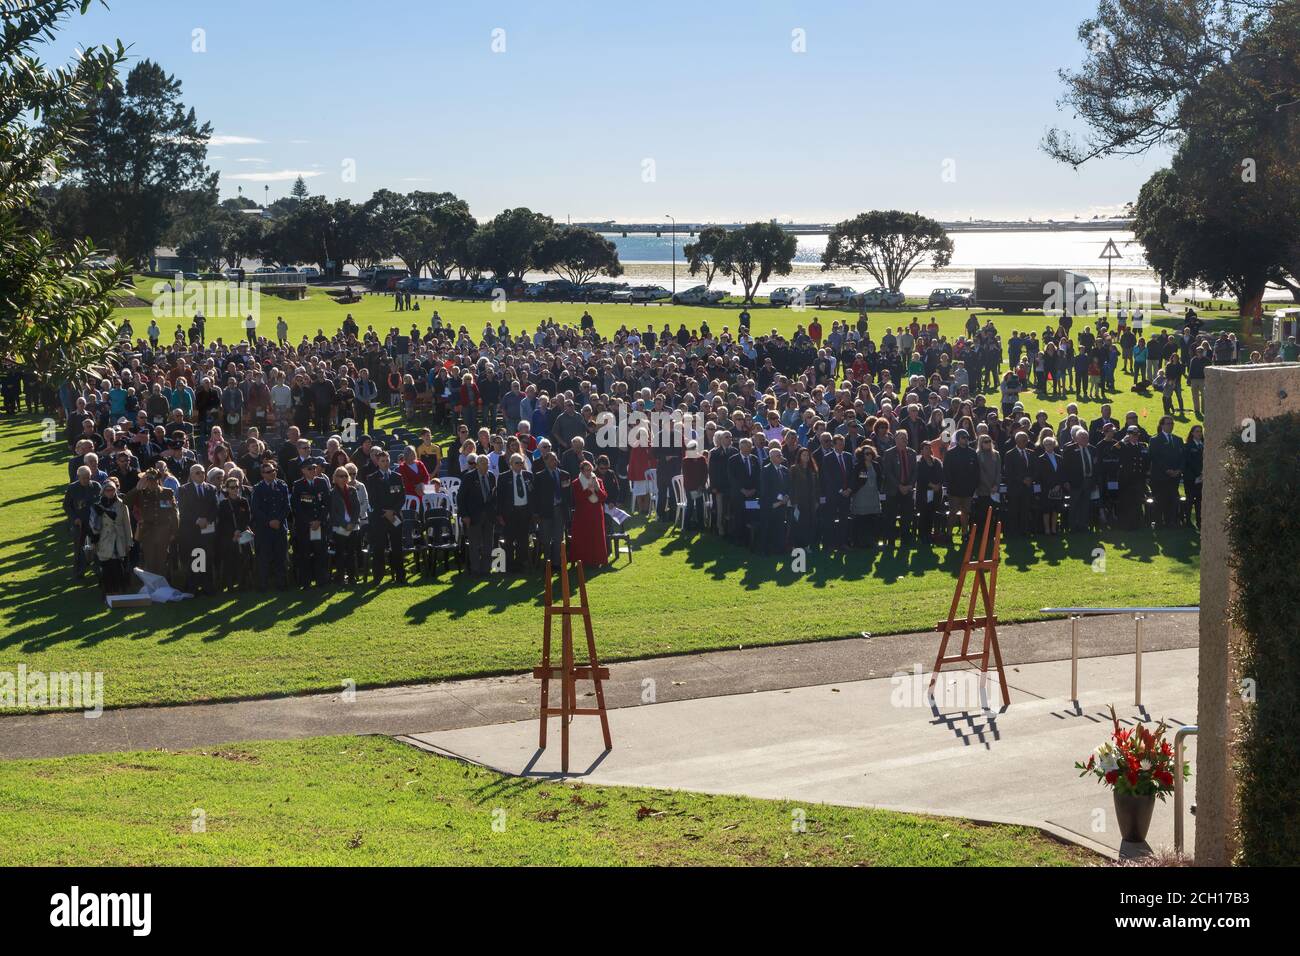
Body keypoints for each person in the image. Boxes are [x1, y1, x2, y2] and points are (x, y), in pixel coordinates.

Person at [363, 449, 406, 585]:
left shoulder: (397, 477)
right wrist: (385, 512)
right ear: (378, 462)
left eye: (387, 460)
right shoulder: (372, 478)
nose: (385, 463)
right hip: (379, 518)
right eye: (382, 461)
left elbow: (401, 497)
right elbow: (373, 500)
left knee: (397, 547)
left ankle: (400, 576)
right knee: (379, 548)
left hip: (395, 516)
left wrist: (393, 511)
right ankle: (378, 577)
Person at [177, 463, 219, 594]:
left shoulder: (211, 488)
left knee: (207, 557)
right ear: (191, 475)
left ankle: (208, 586)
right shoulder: (184, 489)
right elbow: (183, 510)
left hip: (207, 529)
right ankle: (193, 586)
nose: (201, 474)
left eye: (202, 472)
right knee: (195, 557)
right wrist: (197, 520)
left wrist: (207, 519)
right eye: (198, 473)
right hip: (191, 531)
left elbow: (215, 507)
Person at [250, 461, 290, 590]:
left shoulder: (282, 486)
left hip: (280, 527)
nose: (272, 473)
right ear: (262, 474)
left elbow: (286, 507)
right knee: (264, 558)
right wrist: (269, 521)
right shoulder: (258, 488)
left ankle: (282, 584)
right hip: (264, 529)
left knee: (281, 557)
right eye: (268, 472)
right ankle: (263, 585)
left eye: (274, 471)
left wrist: (278, 520)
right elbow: (256, 509)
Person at [89, 477, 132, 594]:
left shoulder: (122, 505)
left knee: (119, 567)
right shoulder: (96, 506)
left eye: (112, 490)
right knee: (106, 567)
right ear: (103, 491)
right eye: (107, 490)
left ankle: (120, 591)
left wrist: (129, 542)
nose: (110, 492)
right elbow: (93, 526)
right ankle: (107, 592)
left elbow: (127, 525)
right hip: (104, 539)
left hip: (119, 539)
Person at [291, 458, 330, 588]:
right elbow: (297, 507)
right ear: (303, 471)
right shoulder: (298, 485)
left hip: (320, 524)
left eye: (314, 468)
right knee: (305, 554)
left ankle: (321, 581)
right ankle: (305, 582)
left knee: (321, 553)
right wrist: (309, 522)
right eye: (310, 468)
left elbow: (327, 504)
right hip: (305, 526)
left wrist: (319, 520)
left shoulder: (322, 482)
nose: (313, 470)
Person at [460, 455, 498, 574]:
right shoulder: (469, 477)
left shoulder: (491, 476)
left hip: (489, 516)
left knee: (488, 544)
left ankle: (486, 569)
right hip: (474, 516)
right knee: (474, 545)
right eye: (482, 463)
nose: (485, 465)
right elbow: (460, 497)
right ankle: (475, 570)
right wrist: (464, 515)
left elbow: (493, 496)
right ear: (476, 465)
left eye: (487, 463)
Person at [497, 452, 534, 572]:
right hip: (510, 513)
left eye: (521, 463)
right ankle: (509, 565)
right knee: (509, 540)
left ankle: (520, 564)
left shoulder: (528, 475)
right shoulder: (503, 477)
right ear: (511, 464)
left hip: (524, 512)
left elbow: (534, 494)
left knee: (523, 540)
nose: (519, 465)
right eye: (517, 463)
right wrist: (499, 515)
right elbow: (499, 497)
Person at [63, 464, 102, 578]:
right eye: (83, 477)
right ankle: (79, 571)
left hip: (94, 523)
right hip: (80, 524)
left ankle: (97, 569)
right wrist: (75, 518)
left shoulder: (96, 486)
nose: (86, 480)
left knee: (96, 546)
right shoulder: (72, 488)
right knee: (80, 548)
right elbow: (67, 506)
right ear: (78, 477)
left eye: (88, 477)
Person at [217, 473, 253, 591]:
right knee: (229, 561)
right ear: (227, 489)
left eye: (237, 487)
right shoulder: (223, 504)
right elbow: (223, 522)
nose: (235, 489)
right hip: (229, 537)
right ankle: (230, 585)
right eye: (232, 487)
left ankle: (244, 584)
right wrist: (233, 533)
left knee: (244, 560)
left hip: (242, 535)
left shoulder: (244, 501)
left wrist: (239, 530)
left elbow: (247, 518)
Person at [569, 460, 608, 566]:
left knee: (596, 537)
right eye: (586, 470)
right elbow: (577, 498)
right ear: (581, 471)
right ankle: (583, 561)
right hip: (582, 514)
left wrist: (597, 489)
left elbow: (604, 497)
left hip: (596, 513)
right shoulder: (576, 482)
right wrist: (588, 491)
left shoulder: (598, 481)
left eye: (590, 470)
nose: (589, 472)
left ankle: (597, 560)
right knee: (583, 537)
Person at [1148, 415, 1184, 528]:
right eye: (1168, 423)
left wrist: (1179, 470)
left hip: (1174, 477)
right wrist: (1166, 470)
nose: (1171, 426)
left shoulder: (1178, 440)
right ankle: (1159, 522)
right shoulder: (1155, 440)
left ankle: (1171, 521)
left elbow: (1182, 457)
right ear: (1162, 425)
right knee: (1160, 500)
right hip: (1160, 477)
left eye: (1172, 423)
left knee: (1173, 499)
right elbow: (1155, 457)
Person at [329, 466, 362, 584]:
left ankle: (352, 578)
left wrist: (352, 522)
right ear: (335, 478)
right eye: (340, 476)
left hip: (353, 527)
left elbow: (357, 508)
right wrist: (345, 524)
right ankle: (340, 577)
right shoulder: (332, 493)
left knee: (351, 553)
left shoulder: (352, 490)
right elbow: (333, 513)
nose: (343, 478)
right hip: (340, 528)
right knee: (340, 553)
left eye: (345, 476)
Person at [1062, 429, 1099, 532]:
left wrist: (1095, 482)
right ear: (1076, 439)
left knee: (1085, 504)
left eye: (1086, 437)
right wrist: (1066, 481)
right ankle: (1073, 527)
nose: (1085, 439)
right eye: (1082, 437)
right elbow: (1064, 467)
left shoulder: (1092, 449)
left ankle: (1083, 526)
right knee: (1074, 505)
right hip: (1075, 482)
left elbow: (1096, 467)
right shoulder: (1069, 449)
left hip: (1089, 481)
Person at [848, 444, 882, 549]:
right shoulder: (858, 466)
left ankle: (872, 542)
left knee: (872, 520)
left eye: (871, 453)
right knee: (860, 519)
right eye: (867, 453)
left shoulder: (876, 465)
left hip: (873, 495)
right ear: (862, 455)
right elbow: (855, 480)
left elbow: (880, 478)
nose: (869, 455)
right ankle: (859, 542)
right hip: (861, 496)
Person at [759, 447, 791, 553]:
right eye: (778, 456)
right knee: (768, 527)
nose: (781, 457)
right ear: (771, 458)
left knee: (780, 527)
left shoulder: (785, 470)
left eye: (781, 455)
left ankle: (779, 548)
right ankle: (766, 549)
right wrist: (779, 499)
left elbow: (788, 486)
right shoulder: (766, 469)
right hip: (770, 504)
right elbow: (766, 488)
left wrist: (786, 496)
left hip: (782, 504)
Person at [1035, 434, 1065, 536]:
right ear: (1044, 446)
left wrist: (1058, 485)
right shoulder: (1040, 459)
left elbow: (1062, 473)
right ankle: (1047, 529)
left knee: (1056, 510)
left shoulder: (1059, 457)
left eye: (1051, 444)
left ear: (1054, 445)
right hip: (1046, 489)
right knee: (1046, 510)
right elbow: (1041, 475)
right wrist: (1052, 486)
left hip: (1058, 488)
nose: (1049, 446)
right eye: (1047, 444)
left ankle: (1054, 529)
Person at [1183, 424, 1204, 529]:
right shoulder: (1188, 446)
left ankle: (1200, 521)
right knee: (1190, 500)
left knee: (1200, 501)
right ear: (1192, 433)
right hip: (1191, 478)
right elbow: (1189, 462)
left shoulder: (1204, 445)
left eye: (1200, 431)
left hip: (1202, 478)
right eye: (1197, 431)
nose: (1199, 433)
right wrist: (1198, 474)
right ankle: (1187, 521)